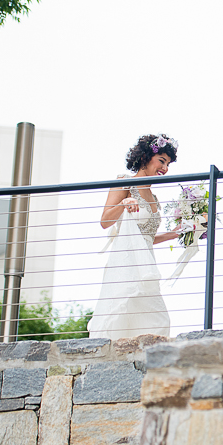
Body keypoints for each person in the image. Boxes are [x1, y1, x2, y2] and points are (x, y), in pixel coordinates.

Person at [87, 134, 181, 339]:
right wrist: (122, 205)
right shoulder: (124, 183)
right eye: (162, 161)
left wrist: (175, 233)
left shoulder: (154, 198)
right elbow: (105, 221)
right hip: (126, 261)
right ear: (146, 157)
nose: (165, 169)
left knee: (156, 320)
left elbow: (148, 237)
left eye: (169, 164)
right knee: (123, 312)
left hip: (146, 262)